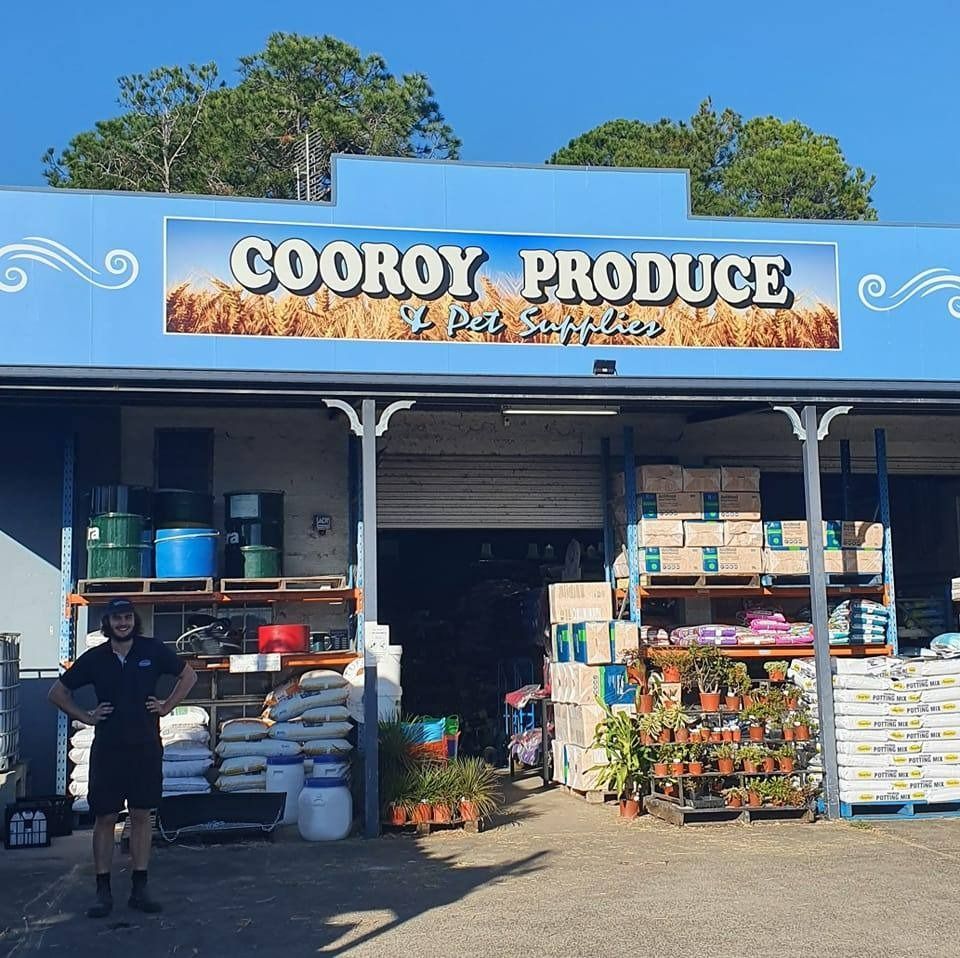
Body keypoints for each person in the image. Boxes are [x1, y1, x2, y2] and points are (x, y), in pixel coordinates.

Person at [48, 597, 197, 918]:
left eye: (128, 617)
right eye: (117, 618)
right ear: (108, 623)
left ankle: (139, 888)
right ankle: (103, 892)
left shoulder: (152, 650)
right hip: (109, 750)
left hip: (145, 747)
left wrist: (168, 705)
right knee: (104, 818)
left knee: (141, 816)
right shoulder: (95, 658)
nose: (123, 623)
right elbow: (57, 693)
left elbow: (189, 676)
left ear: (134, 620)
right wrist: (86, 716)